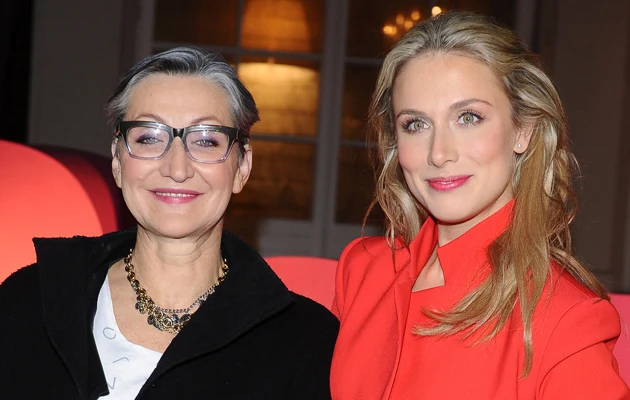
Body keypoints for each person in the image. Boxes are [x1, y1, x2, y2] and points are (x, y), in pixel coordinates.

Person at [0, 47, 338, 399]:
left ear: (242, 167)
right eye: (149, 138)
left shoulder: (305, 343)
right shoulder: (28, 303)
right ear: (117, 161)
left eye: (205, 140)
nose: (177, 168)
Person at [330, 11, 629, 399]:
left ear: (523, 129)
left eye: (468, 117)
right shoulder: (363, 271)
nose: (439, 153)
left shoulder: (567, 320)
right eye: (415, 124)